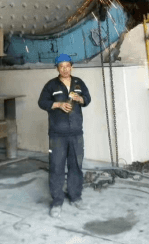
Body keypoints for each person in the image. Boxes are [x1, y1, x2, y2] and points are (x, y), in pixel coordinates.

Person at [38, 53, 91, 218]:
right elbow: (42, 102)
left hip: (76, 133)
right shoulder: (51, 85)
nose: (65, 69)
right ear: (57, 69)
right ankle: (57, 202)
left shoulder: (78, 83)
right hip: (57, 134)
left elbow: (87, 99)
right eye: (61, 66)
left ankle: (75, 197)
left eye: (67, 66)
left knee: (76, 165)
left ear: (71, 67)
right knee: (56, 167)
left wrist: (80, 99)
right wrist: (58, 104)